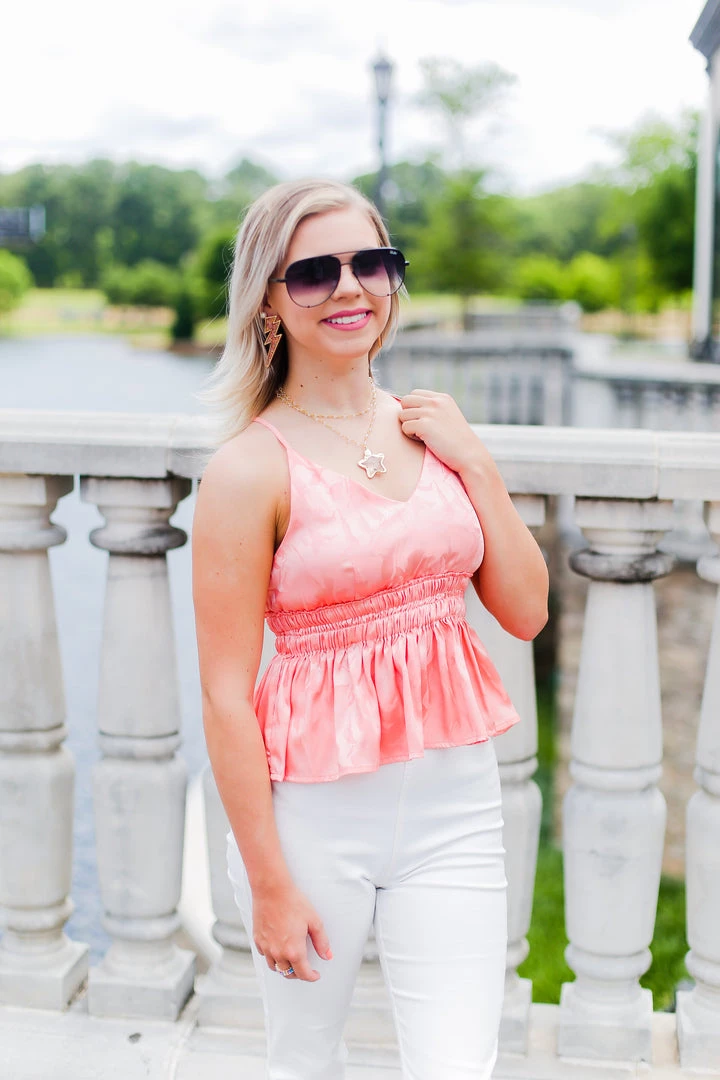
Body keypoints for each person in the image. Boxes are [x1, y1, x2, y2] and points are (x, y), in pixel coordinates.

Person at [191, 178, 549, 1080]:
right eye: (315, 272)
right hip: (312, 822)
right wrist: (269, 883)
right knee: (306, 1063)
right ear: (268, 303)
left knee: (458, 1066)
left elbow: (527, 611)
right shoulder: (248, 469)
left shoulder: (434, 430)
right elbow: (226, 697)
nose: (350, 288)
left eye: (372, 263)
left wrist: (478, 464)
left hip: (457, 808)